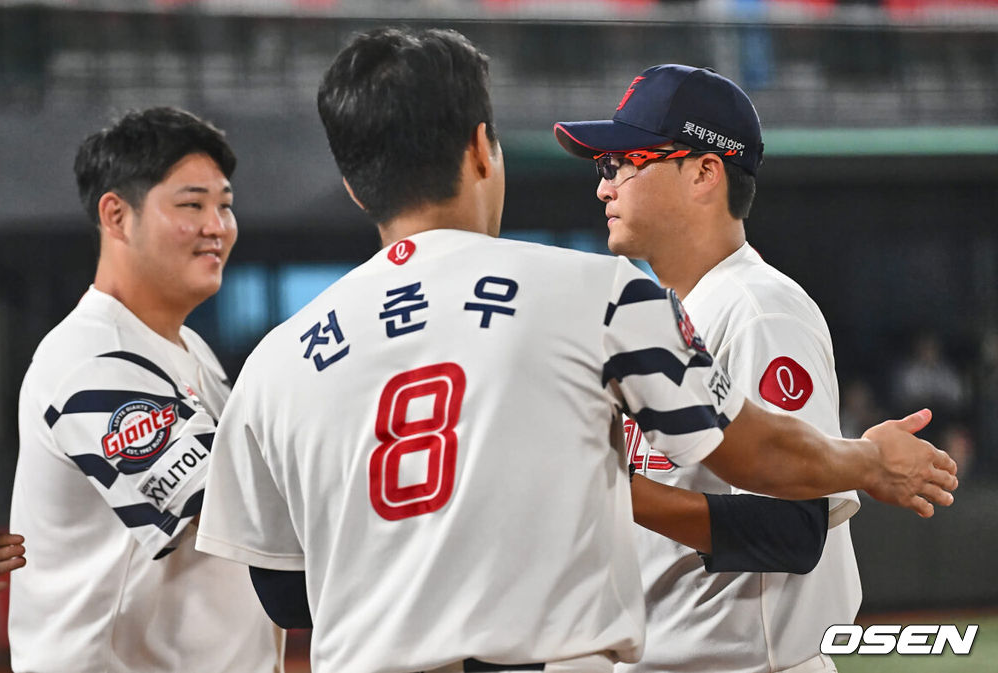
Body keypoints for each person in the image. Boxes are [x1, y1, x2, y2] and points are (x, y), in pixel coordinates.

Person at [194, 28, 956, 673]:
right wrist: (864, 458)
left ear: (355, 187)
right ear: (482, 150)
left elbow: (287, 596)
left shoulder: (277, 358)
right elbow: (758, 456)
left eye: (625, 162)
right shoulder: (592, 296)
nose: (604, 184)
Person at [553, 65, 866, 673]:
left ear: (703, 172)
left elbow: (792, 531)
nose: (604, 187)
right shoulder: (667, 316)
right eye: (602, 168)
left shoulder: (758, 308)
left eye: (623, 162)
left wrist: (612, 493)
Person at [8, 108, 283, 673]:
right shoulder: (88, 359)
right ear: (117, 215)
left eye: (225, 205)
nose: (218, 226)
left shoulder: (187, 349)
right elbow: (224, 505)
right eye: (192, 205)